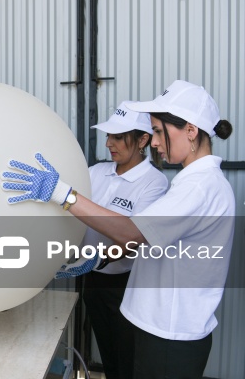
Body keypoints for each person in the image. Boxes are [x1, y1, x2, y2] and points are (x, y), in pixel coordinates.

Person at [2, 79, 234, 379]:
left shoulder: (200, 187)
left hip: (170, 333)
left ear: (191, 130)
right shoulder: (192, 182)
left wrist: (62, 193)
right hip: (158, 325)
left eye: (160, 132)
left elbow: (132, 233)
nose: (154, 142)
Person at [63, 101, 168, 379]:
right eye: (108, 135)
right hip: (93, 281)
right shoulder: (96, 172)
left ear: (143, 139)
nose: (109, 143)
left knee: (128, 361)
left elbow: (137, 237)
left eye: (118, 137)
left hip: (126, 287)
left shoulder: (153, 183)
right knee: (109, 357)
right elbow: (73, 214)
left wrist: (100, 257)